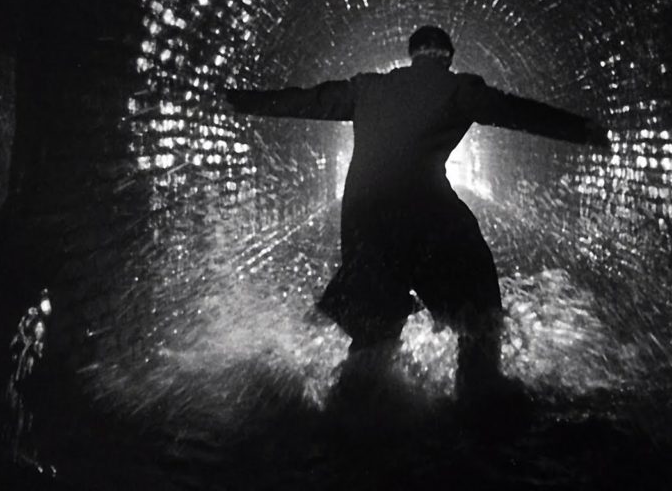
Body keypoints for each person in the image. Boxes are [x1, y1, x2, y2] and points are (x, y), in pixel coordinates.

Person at [223, 26, 610, 408]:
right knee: (476, 298)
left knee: (375, 320)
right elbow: (515, 111)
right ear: (448, 57)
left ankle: (352, 405)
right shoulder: (458, 88)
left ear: (411, 55)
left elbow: (310, 100)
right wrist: (582, 130)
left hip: (365, 217)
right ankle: (478, 387)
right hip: (427, 212)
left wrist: (240, 100)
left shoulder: (367, 87)